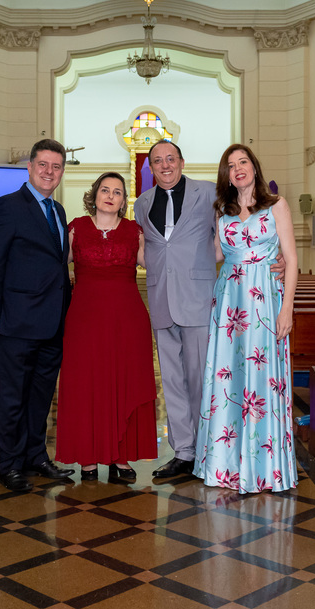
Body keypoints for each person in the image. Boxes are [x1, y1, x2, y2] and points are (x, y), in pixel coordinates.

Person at [194, 144, 298, 493]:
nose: (238, 168)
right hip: (229, 302)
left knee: (261, 377)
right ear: (225, 174)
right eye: (230, 165)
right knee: (229, 379)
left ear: (254, 166)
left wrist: (288, 308)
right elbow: (215, 255)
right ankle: (227, 466)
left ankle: (264, 468)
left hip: (265, 301)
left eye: (243, 162)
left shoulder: (276, 206)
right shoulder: (222, 214)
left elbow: (292, 260)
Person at [0, 139, 75, 493]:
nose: (50, 172)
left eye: (56, 167)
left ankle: (36, 455)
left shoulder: (59, 211)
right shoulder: (7, 206)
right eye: (43, 165)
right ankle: (9, 464)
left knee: (40, 395)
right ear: (30, 167)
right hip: (17, 320)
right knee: (11, 396)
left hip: (52, 321)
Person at [56, 173, 158, 482]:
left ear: (124, 200)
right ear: (94, 194)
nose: (110, 195)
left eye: (117, 192)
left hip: (128, 320)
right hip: (84, 319)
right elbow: (52, 265)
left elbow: (160, 265)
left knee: (123, 381)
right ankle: (88, 458)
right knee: (86, 384)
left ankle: (121, 458)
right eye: (105, 190)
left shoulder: (134, 232)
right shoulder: (75, 229)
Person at [134, 140, 218, 479]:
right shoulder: (142, 203)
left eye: (170, 159)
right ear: (150, 167)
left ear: (182, 161)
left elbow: (228, 235)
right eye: (158, 161)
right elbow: (149, 247)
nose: (165, 165)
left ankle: (207, 451)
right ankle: (183, 453)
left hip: (198, 297)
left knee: (200, 379)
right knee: (173, 381)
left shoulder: (208, 192)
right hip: (161, 299)